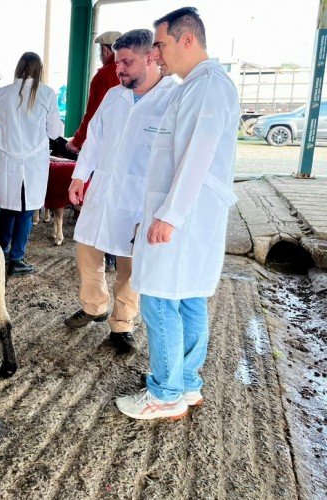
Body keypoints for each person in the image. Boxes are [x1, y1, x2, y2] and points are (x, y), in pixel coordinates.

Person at [116, 7, 239, 420]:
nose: (156, 56)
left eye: (161, 45)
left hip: (183, 215)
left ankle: (165, 392)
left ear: (188, 40)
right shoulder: (197, 86)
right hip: (188, 214)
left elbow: (197, 156)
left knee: (159, 298)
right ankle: (186, 383)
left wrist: (169, 215)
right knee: (186, 298)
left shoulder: (207, 86)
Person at [63, 29, 178, 354]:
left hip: (141, 200)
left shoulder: (172, 99)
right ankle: (94, 305)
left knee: (130, 265)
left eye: (126, 62)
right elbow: (95, 139)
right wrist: (79, 176)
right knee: (87, 251)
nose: (120, 70)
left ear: (151, 58)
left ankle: (122, 324)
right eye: (117, 63)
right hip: (102, 193)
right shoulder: (115, 96)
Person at [0, 52, 62, 276]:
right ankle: (17, 258)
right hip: (34, 161)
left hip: (8, 160)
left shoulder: (2, 93)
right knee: (26, 211)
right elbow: (55, 132)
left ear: (18, 68)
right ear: (39, 70)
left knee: (7, 208)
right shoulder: (46, 94)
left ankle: (1, 252)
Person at [65, 30, 121, 155]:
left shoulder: (103, 75)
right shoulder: (132, 73)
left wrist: (76, 142)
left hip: (105, 142)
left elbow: (93, 113)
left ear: (105, 50)